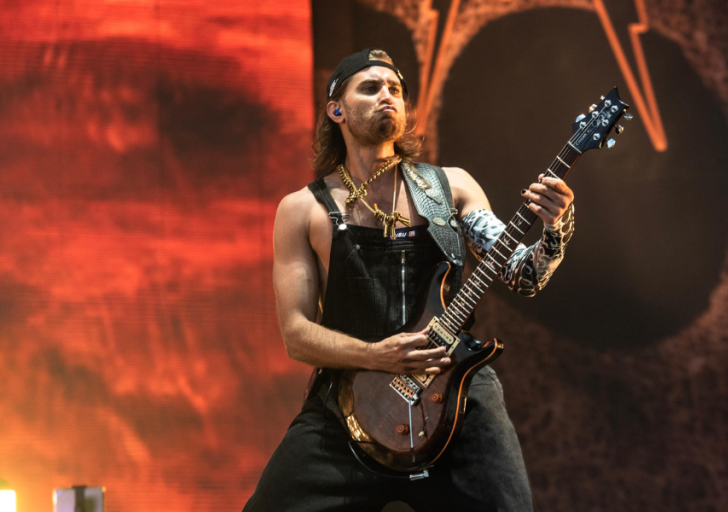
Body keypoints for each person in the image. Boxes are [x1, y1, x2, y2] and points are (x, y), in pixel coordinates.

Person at [243, 48, 575, 511]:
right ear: (336, 110)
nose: (388, 96)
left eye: (396, 89)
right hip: (347, 402)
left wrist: (557, 226)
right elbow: (297, 335)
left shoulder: (450, 188)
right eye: (371, 87)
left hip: (455, 393)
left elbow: (523, 273)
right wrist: (375, 356)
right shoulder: (303, 209)